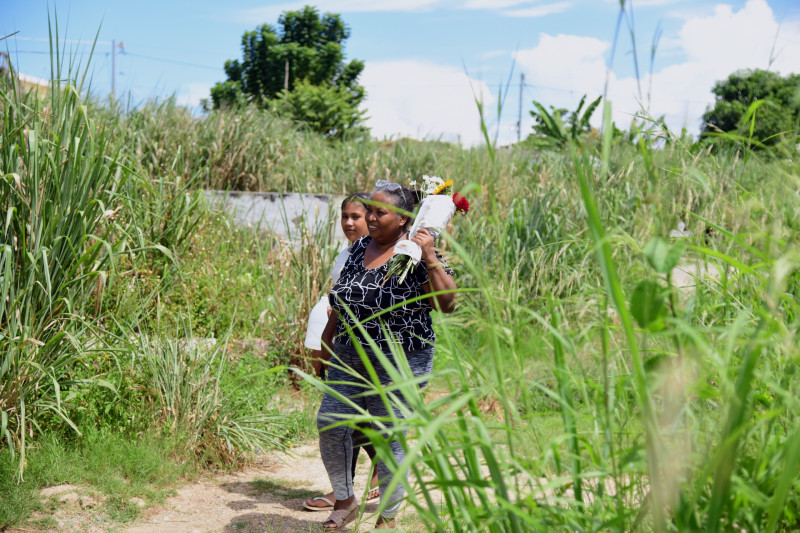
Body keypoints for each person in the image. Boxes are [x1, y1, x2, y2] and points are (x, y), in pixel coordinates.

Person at [316, 182, 457, 530]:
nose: (369, 217)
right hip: (349, 354)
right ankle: (345, 499)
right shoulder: (359, 247)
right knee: (331, 423)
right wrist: (326, 339)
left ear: (403, 218)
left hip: (400, 359)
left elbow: (447, 304)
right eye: (369, 210)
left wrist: (429, 256)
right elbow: (343, 297)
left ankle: (388, 518)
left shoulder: (414, 254)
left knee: (387, 433)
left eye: (379, 212)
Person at [302, 192, 382, 512]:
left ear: (372, 218)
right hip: (337, 343)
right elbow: (336, 299)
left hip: (360, 349)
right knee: (347, 419)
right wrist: (323, 338)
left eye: (356, 217)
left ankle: (357, 487)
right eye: (344, 216)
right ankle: (351, 487)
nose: (349, 222)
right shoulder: (345, 254)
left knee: (350, 420)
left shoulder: (381, 255)